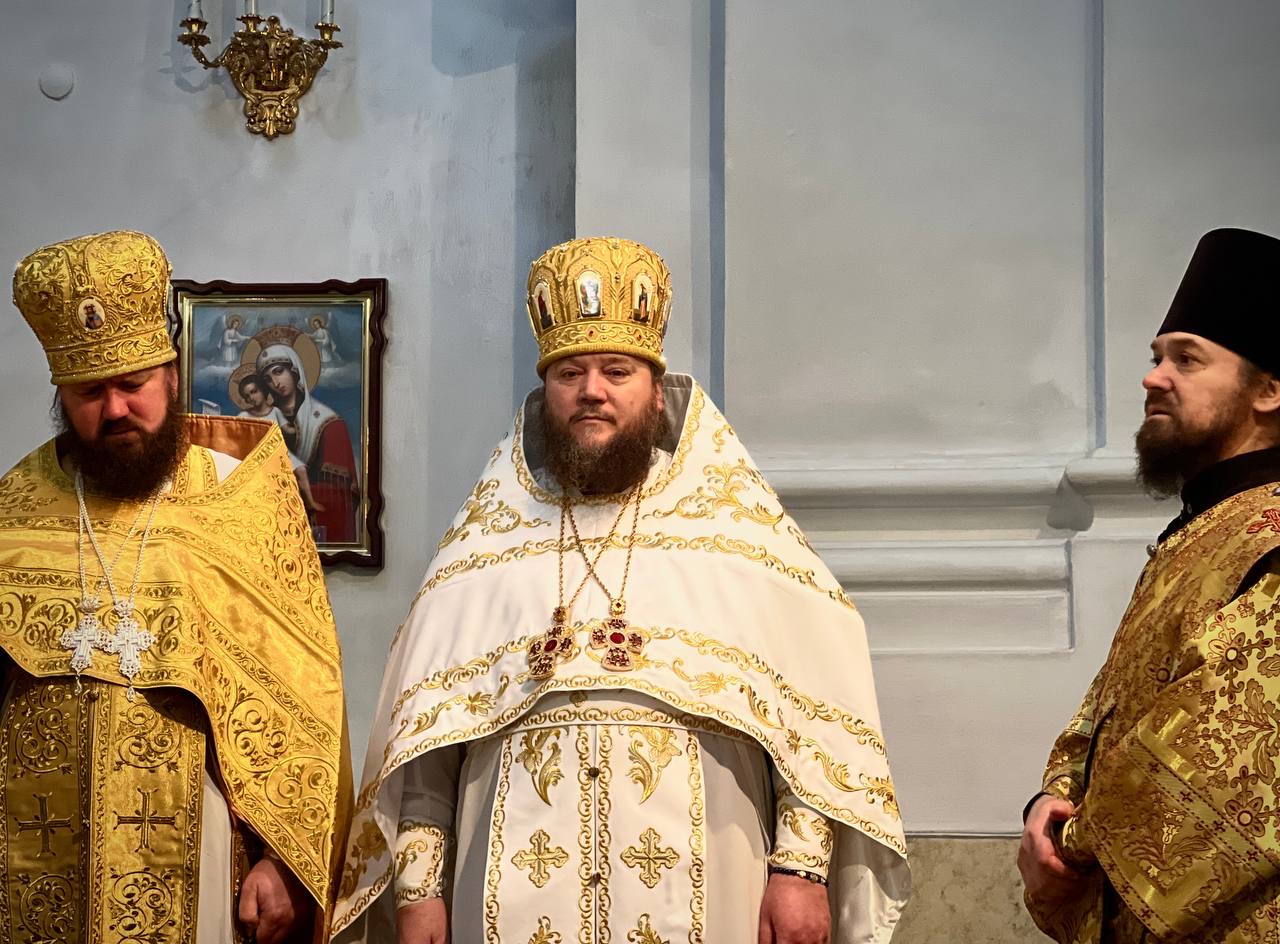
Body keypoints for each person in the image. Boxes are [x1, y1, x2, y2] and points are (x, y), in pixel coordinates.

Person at [331, 237, 909, 944]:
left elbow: (812, 721)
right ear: (545, 392)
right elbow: (430, 741)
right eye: (569, 372)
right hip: (509, 889)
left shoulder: (733, 529)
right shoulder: (486, 544)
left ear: (656, 390)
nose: (592, 391)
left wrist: (800, 870)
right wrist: (420, 892)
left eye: (616, 371)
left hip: (708, 881)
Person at [1, 230, 351, 944]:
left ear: (170, 373)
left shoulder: (240, 495)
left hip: (198, 843)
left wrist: (280, 861)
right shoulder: (15, 508)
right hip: (29, 844)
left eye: (132, 385)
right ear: (61, 396)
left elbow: (294, 693)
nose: (115, 409)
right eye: (89, 391)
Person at [1019, 227, 1280, 942]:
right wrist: (1047, 804)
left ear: (1269, 391)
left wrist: (1069, 845)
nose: (1153, 377)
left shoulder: (1270, 539)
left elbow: (1221, 761)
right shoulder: (1200, 532)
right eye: (1156, 357)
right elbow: (1105, 712)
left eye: (1186, 359)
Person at [256, 341, 359, 543]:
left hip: (313, 525)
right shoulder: (263, 421)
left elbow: (339, 495)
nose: (275, 382)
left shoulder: (329, 424)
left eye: (279, 372)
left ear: (294, 371)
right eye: (267, 379)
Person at [235, 368, 325, 515]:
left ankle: (310, 502)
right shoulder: (244, 415)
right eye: (247, 396)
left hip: (278, 451)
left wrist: (300, 424)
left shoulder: (275, 412)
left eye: (254, 392)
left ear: (263, 391)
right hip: (257, 455)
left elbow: (288, 430)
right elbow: (236, 437)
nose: (251, 398)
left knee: (301, 470)